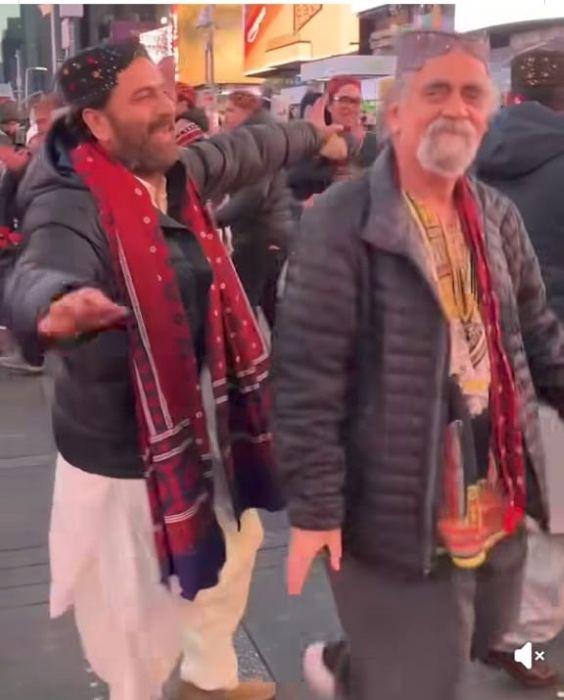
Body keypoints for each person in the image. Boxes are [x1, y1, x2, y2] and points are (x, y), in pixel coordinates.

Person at [3, 39, 348, 700]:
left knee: (236, 548)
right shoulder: (70, 196)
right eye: (144, 97)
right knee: (135, 622)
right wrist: (53, 303)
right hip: (123, 453)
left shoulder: (171, 170)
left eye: (163, 90)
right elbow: (40, 265)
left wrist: (314, 135)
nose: (167, 107)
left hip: (202, 424)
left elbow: (246, 149)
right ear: (97, 122)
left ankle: (207, 682)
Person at [273, 30, 564, 700]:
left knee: (481, 630)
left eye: (471, 94)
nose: (456, 108)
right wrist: (316, 511)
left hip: (493, 484)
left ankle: (356, 666)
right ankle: (372, 670)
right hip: (393, 504)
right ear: (398, 111)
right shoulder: (341, 221)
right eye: (437, 91)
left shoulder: (496, 214)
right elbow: (307, 385)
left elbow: (537, 336)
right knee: (427, 675)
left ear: (489, 112)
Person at [476, 45, 564, 688]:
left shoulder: (473, 157)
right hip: (551, 357)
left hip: (484, 358)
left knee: (517, 503)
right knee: (552, 520)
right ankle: (519, 645)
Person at [216, 91, 294, 328]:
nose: (226, 117)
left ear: (247, 112)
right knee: (271, 305)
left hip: (258, 233)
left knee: (243, 303)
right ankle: (287, 348)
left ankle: (248, 351)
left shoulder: (256, 139)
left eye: (231, 111)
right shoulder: (263, 135)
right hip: (272, 231)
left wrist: (214, 220)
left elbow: (253, 193)